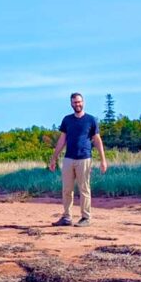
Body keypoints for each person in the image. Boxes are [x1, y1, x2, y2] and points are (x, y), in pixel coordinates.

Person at [48, 92, 107, 226]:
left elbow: (97, 140)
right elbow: (62, 140)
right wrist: (54, 158)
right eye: (75, 102)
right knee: (67, 189)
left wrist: (103, 160)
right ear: (71, 104)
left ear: (83, 102)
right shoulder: (67, 120)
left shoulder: (91, 120)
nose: (77, 104)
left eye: (79, 102)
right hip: (69, 159)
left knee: (84, 189)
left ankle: (86, 218)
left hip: (84, 159)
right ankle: (67, 218)